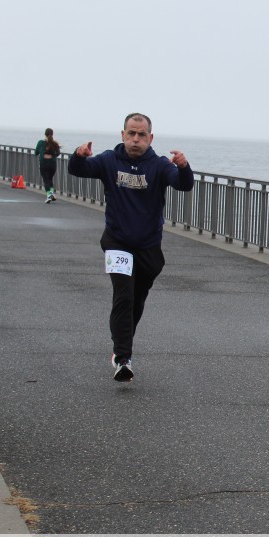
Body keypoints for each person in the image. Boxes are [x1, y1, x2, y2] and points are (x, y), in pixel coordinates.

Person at [68, 113, 194, 382]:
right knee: (123, 296)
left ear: (151, 138)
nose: (136, 139)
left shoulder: (159, 165)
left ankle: (121, 345)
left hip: (148, 245)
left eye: (141, 135)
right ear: (123, 135)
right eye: (131, 134)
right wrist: (78, 155)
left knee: (137, 300)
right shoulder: (108, 160)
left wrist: (184, 167)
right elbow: (78, 170)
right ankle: (123, 358)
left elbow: (183, 185)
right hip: (118, 241)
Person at [35, 128, 62, 203]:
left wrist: (42, 153)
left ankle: (49, 195)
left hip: (44, 164)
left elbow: (36, 152)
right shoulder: (54, 144)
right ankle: (52, 193)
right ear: (52, 134)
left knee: (46, 180)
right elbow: (58, 153)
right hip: (53, 164)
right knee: (50, 179)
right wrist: (53, 156)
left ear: (45, 134)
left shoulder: (41, 143)